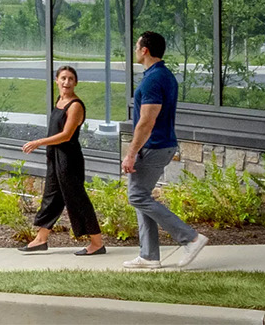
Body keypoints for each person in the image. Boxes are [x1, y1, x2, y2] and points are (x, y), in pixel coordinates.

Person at [122, 30, 209, 269]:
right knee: (141, 197)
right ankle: (149, 256)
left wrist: (131, 153)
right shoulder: (163, 75)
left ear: (144, 50)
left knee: (137, 196)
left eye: (136, 46)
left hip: (153, 146)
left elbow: (146, 121)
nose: (135, 50)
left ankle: (190, 238)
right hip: (161, 144)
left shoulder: (153, 79)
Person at [16, 65, 104, 255]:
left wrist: (38, 142)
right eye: (63, 78)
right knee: (51, 196)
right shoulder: (60, 101)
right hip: (54, 156)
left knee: (77, 199)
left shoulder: (75, 105)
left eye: (71, 79)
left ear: (76, 82)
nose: (66, 82)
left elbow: (66, 135)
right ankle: (41, 239)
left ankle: (97, 243)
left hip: (69, 159)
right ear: (57, 80)